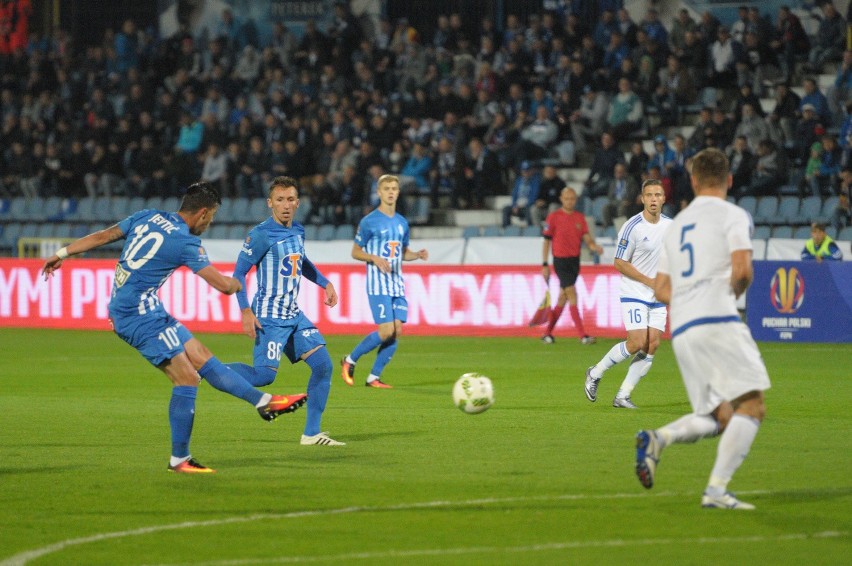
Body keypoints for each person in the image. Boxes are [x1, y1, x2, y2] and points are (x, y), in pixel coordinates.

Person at [40, 182, 308, 474]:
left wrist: (62, 253)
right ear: (203, 213)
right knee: (188, 379)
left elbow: (105, 236)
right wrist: (236, 283)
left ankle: (263, 401)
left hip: (146, 309)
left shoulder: (147, 216)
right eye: (212, 216)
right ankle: (180, 459)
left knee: (202, 355)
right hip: (137, 317)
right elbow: (222, 285)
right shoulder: (185, 241)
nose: (211, 223)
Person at [635, 148, 771, 509]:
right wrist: (727, 295)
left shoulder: (676, 225)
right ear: (728, 180)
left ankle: (658, 438)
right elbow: (742, 271)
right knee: (752, 406)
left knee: (718, 415)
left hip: (684, 329)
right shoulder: (733, 215)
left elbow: (662, 290)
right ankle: (715, 491)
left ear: (693, 181)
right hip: (718, 318)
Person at [224, 176, 345, 447]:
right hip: (268, 316)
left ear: (298, 202)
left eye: (290, 199)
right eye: (280, 200)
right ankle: (207, 369)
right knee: (264, 376)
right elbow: (239, 274)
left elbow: (300, 262)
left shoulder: (298, 230)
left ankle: (312, 434)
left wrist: (325, 283)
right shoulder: (260, 234)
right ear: (270, 203)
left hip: (293, 314)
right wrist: (245, 310)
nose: (286, 205)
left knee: (323, 366)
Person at [585, 179, 671, 408]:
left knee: (652, 345)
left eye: (658, 195)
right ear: (642, 199)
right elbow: (619, 262)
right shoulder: (633, 226)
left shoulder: (672, 226)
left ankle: (623, 395)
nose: (653, 199)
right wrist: (649, 281)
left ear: (664, 198)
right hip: (635, 290)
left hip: (657, 295)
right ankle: (595, 372)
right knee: (636, 342)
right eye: (649, 195)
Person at [341, 174, 429, 388]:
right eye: (386, 188)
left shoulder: (401, 223)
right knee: (386, 331)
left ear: (398, 193)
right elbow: (355, 252)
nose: (390, 192)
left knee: (397, 330)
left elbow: (402, 252)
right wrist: (374, 257)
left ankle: (373, 377)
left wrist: (416, 254)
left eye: (394, 188)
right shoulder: (369, 221)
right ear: (379, 192)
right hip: (378, 284)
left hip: (397, 283)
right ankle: (350, 359)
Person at [540, 186, 604, 345]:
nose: (570, 201)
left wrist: (593, 246)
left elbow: (587, 237)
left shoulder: (579, 218)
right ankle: (583, 336)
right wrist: (545, 264)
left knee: (563, 298)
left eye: (573, 198)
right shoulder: (553, 217)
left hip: (574, 261)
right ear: (561, 199)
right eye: (567, 198)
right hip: (560, 261)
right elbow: (546, 241)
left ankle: (547, 333)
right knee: (572, 294)